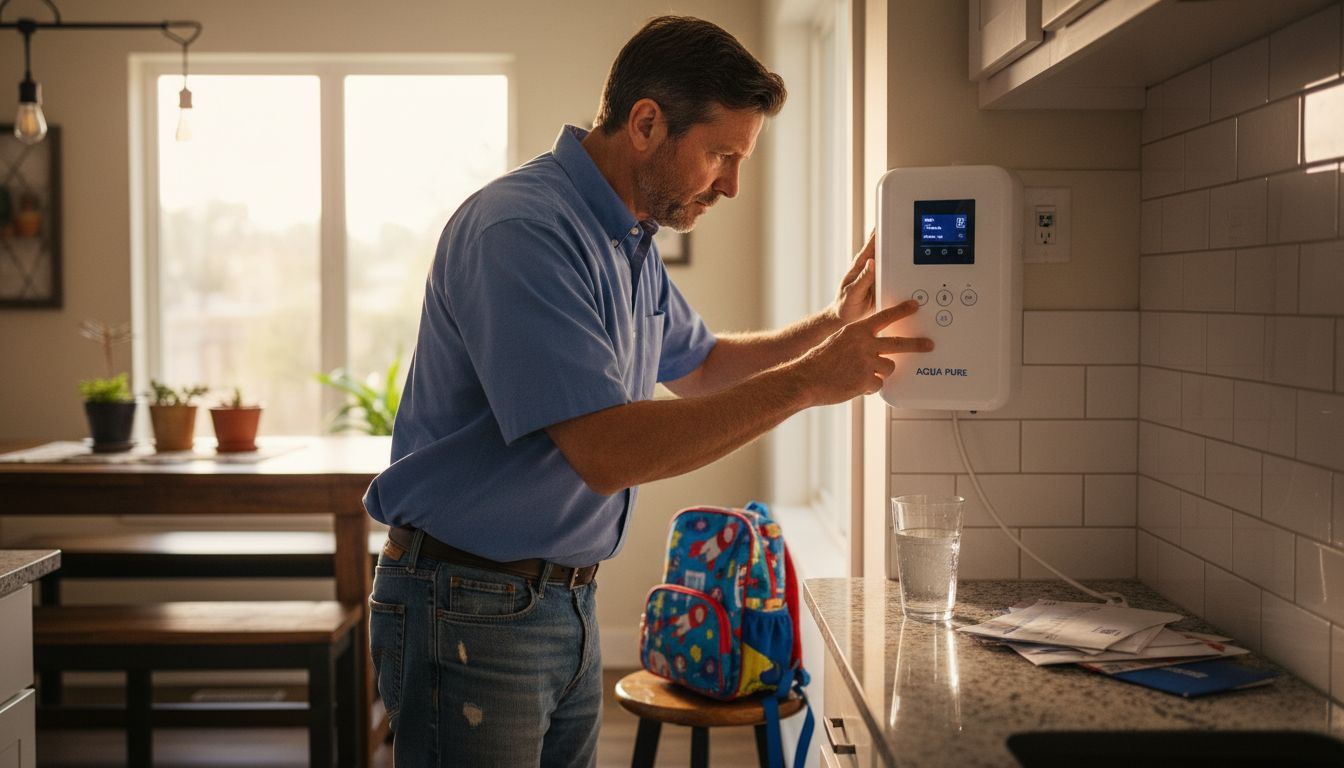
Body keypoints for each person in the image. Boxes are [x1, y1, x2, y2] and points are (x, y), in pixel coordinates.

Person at [364, 14, 932, 767]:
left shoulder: (626, 240)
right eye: (720, 155)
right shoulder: (522, 230)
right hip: (469, 607)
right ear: (645, 123)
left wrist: (832, 327)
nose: (731, 183)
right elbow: (608, 451)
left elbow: (701, 365)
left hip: (558, 602)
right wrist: (809, 382)